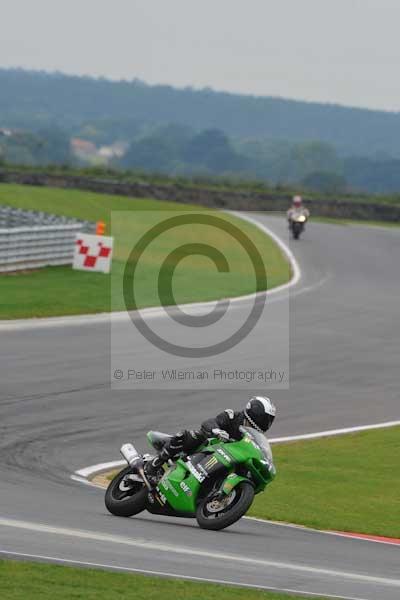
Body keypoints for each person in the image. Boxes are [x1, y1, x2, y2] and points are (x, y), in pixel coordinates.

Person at [146, 396, 276, 476]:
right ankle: (155, 464)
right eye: (266, 418)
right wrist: (216, 430)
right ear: (256, 412)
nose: (267, 422)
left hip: (221, 461)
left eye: (270, 419)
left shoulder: (253, 438)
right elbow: (209, 422)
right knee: (187, 435)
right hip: (205, 447)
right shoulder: (232, 416)